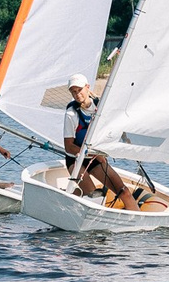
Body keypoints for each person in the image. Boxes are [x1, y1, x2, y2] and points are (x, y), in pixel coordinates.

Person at [61, 75, 147, 208]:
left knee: (124, 192)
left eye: (79, 90)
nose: (77, 94)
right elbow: (69, 147)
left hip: (96, 159)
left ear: (87, 87)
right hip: (76, 160)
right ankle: (75, 195)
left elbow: (113, 127)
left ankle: (140, 221)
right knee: (94, 196)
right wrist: (88, 154)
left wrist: (125, 139)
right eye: (73, 92)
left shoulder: (100, 107)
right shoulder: (71, 114)